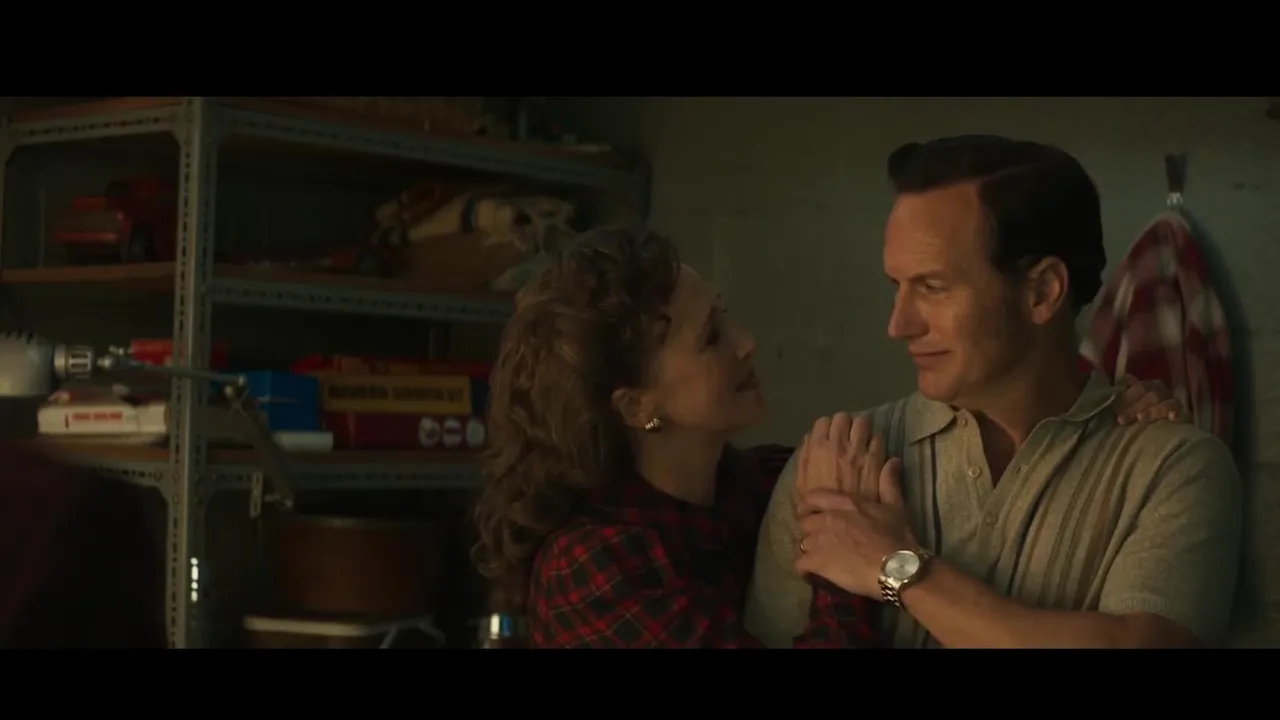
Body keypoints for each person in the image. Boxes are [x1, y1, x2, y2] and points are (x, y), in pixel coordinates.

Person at [469, 225, 1184, 649]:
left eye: (726, 315)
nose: (746, 342)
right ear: (635, 405)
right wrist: (851, 566)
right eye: (712, 337)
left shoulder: (765, 483)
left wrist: (1105, 410)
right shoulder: (593, 568)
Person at [744, 135, 1243, 649]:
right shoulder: (838, 462)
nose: (900, 324)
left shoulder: (1171, 467)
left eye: (933, 287)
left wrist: (898, 569)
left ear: (1042, 291)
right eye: (898, 286)